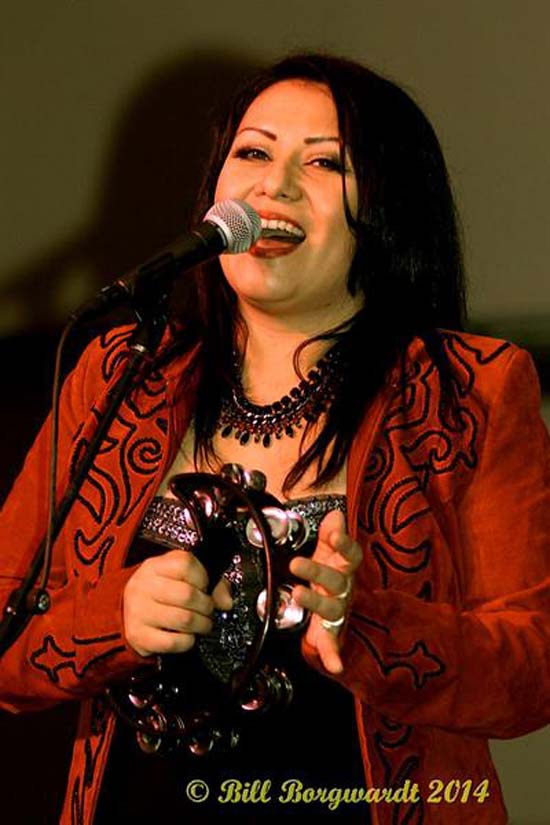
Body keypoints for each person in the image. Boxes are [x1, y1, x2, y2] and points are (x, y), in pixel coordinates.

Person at [1, 52, 549, 825]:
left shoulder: (469, 391)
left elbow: (533, 669)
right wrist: (112, 618)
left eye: (325, 162)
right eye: (253, 152)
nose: (275, 186)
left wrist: (368, 625)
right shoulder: (122, 374)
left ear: (390, 206)